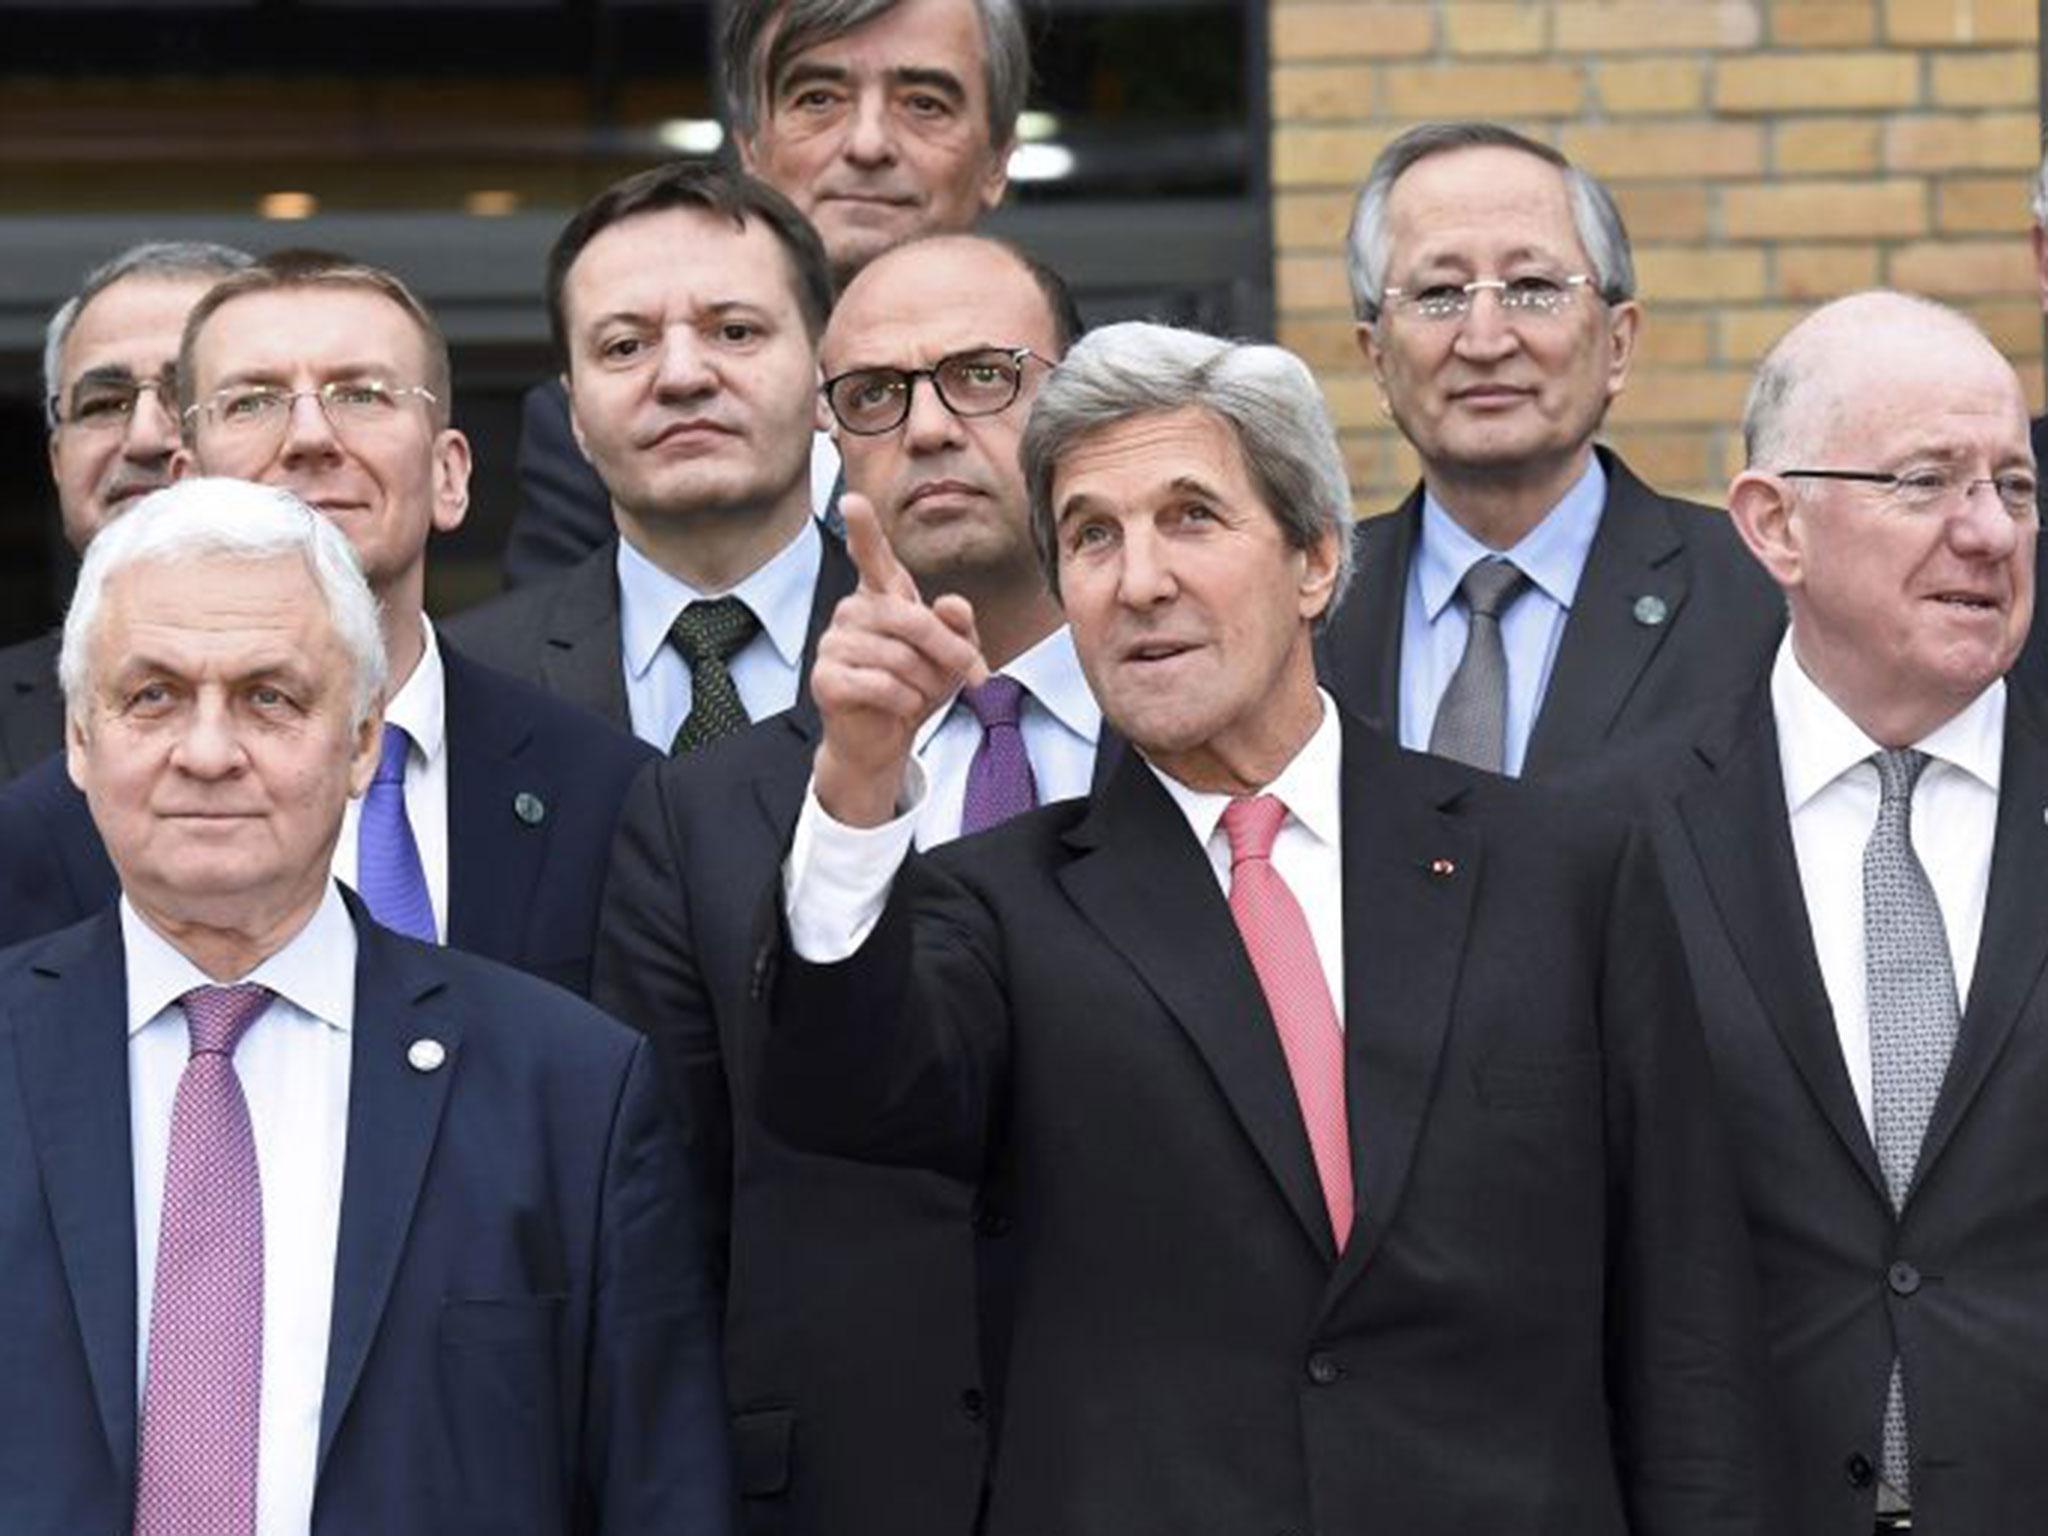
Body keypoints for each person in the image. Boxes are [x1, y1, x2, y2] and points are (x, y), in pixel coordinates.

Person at [754, 320, 1769, 1534]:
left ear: (1313, 562)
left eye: (1190, 516)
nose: (1138, 580)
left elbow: (1685, 1322)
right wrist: (859, 786)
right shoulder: (999, 903)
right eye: (1091, 536)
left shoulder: (1559, 869)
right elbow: (847, 1092)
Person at [0, 478, 734, 1534]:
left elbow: (659, 1494)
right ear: (78, 740)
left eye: (271, 697)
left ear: (359, 747)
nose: (208, 752)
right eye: (152, 695)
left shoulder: (567, 1091)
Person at [595, 233, 1102, 1535]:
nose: (928, 427)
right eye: (876, 395)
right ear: (835, 444)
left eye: (983, 376)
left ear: (1082, 406)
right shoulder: (702, 812)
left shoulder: (1207, 760)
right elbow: (665, 1237)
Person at [1643, 291, 2048, 1536]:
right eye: (1925, 481)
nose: (1986, 532)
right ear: (1774, 525)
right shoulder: (1610, 838)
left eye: (2015, 488)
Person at [0, 252, 654, 998]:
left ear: (450, 476)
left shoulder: (604, 791)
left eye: (363, 394)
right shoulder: (36, 834)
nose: (311, 436)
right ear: (183, 483)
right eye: (252, 402)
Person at [503, 0, 1029, 587]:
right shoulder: (613, 416)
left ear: (999, 158)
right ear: (750, 147)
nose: (868, 143)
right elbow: (551, 658)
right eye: (819, 99)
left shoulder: (1096, 407)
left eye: (925, 104)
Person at [1318, 120, 1781, 778]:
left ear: (1618, 344)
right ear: (1377, 360)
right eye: (1439, 294)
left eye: (1532, 287)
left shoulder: (1760, 597)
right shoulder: (1307, 611)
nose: (1485, 340)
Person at [448, 165, 855, 753]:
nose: (682, 376)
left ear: (824, 378)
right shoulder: (469, 679)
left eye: (735, 331)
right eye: (625, 346)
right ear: (575, 416)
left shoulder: (939, 647)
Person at [0, 240, 253, 781]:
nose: (143, 438)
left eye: (185, 393)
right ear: (56, 461)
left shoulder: (403, 704)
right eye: (104, 404)